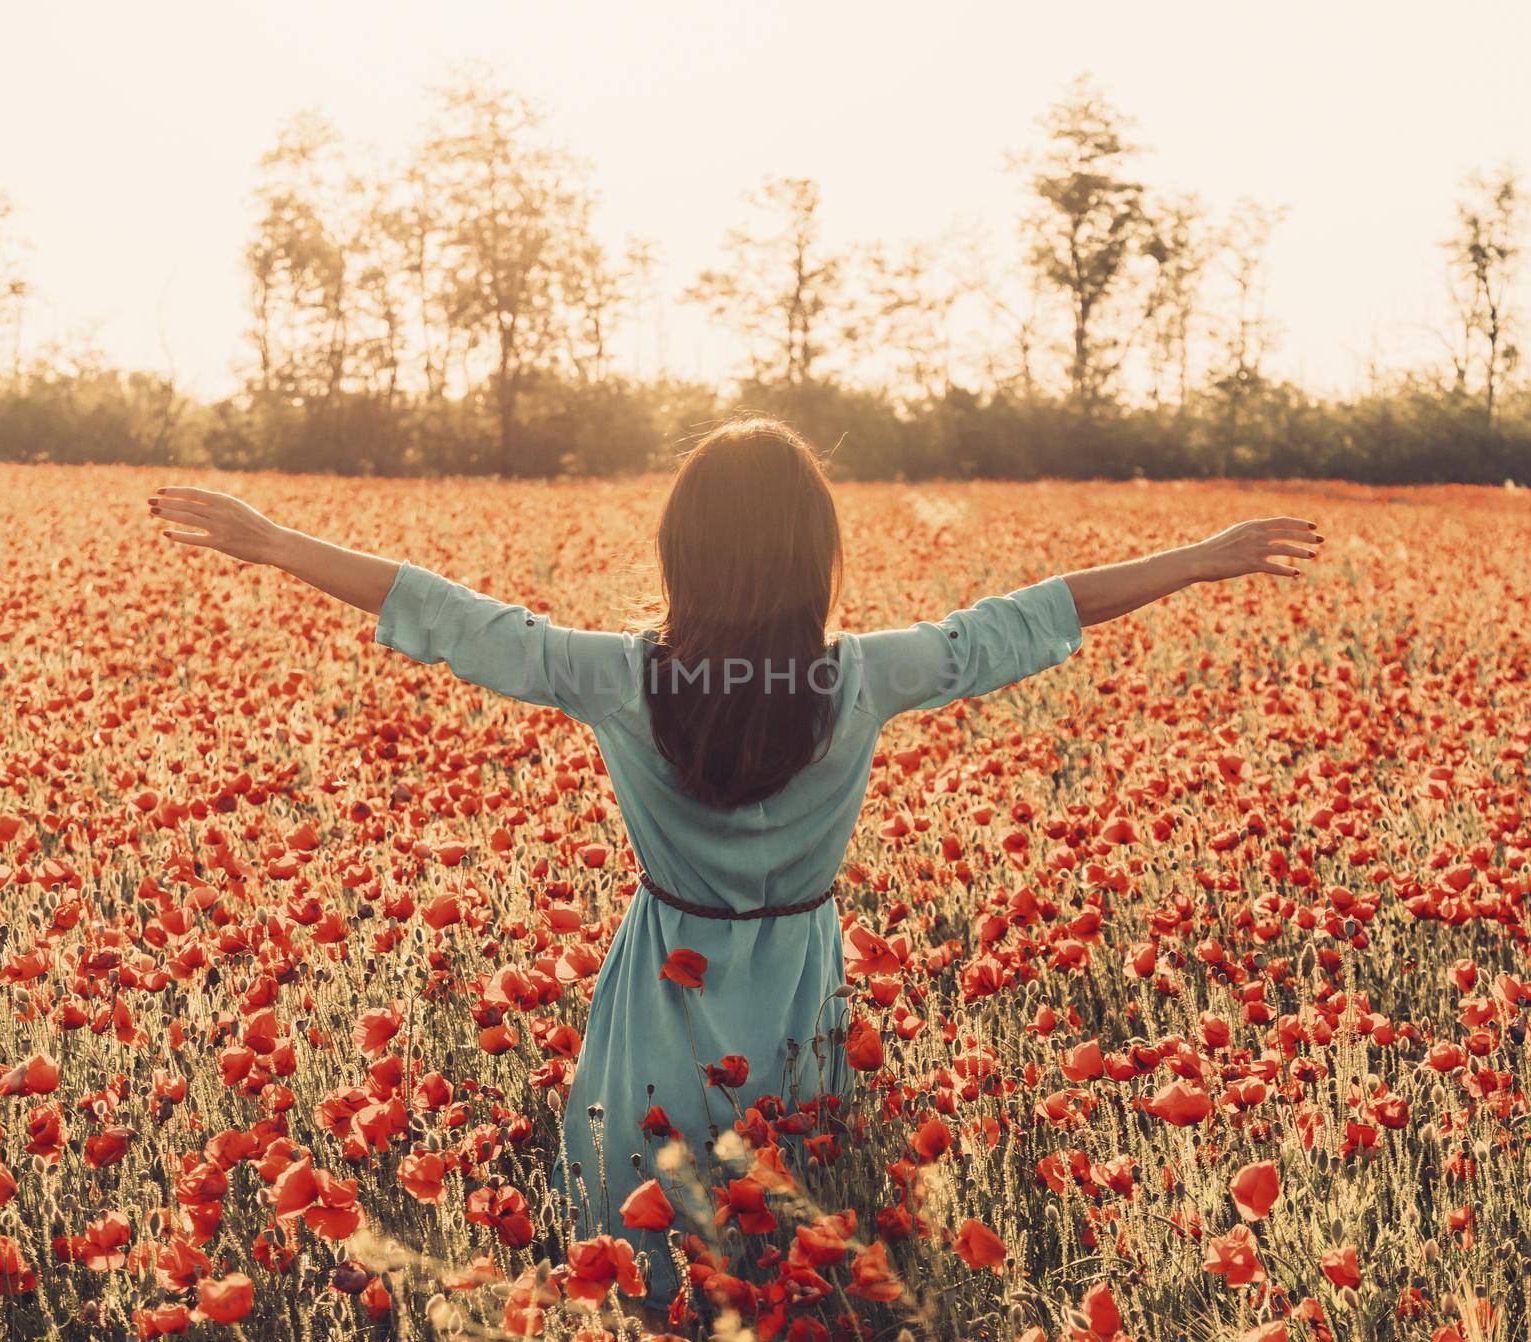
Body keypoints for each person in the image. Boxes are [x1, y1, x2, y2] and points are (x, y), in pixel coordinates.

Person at [148, 417, 1322, 1316]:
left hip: (664, 986)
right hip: (799, 988)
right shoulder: (863, 675)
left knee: (643, 1248)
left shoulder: (618, 674)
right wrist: (1199, 558)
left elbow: (457, 616)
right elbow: (1022, 619)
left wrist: (272, 542)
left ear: (682, 548)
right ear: (816, 553)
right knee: (786, 1256)